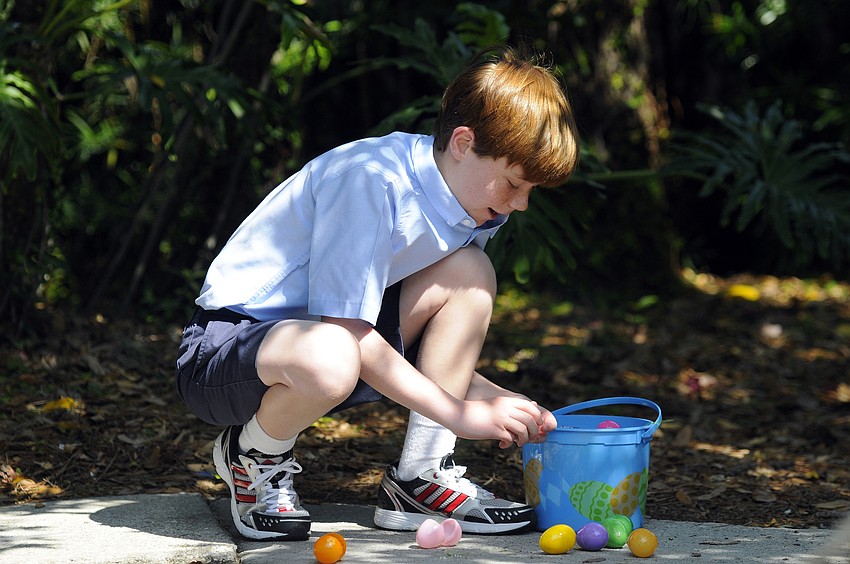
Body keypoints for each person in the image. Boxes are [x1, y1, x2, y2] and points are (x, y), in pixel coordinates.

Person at [175, 45, 579, 541]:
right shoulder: (373, 181)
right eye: (514, 183)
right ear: (462, 142)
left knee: (470, 271)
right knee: (332, 354)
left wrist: (498, 400)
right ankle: (254, 452)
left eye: (530, 192)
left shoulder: (472, 202)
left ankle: (421, 476)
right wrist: (461, 413)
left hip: (331, 348)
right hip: (225, 351)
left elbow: (407, 348)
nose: (520, 204)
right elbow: (346, 334)